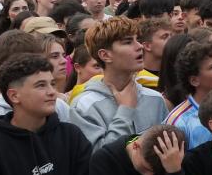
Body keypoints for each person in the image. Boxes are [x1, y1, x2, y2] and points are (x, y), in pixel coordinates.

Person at [71, 17, 167, 151]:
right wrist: (125, 111)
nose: (139, 46)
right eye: (128, 42)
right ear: (105, 55)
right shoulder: (84, 106)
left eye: (137, 40)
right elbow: (98, 159)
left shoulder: (155, 99)